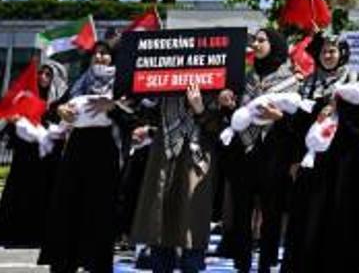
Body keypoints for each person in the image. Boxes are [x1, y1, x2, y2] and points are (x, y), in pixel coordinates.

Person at [39, 41, 124, 273]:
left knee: (99, 209)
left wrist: (113, 106)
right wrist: (60, 111)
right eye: (95, 53)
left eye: (105, 53)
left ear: (112, 58)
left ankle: (96, 262)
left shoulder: (122, 83)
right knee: (68, 205)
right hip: (77, 148)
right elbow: (52, 108)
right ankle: (65, 262)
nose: (99, 57)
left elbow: (135, 116)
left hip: (105, 149)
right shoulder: (79, 82)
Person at [222, 28, 301, 273]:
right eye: (254, 40)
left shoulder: (289, 79)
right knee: (242, 212)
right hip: (245, 152)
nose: (255, 44)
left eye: (261, 40)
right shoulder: (244, 77)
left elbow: (297, 123)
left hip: (274, 153)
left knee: (272, 213)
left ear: (275, 44)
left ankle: (266, 263)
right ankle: (242, 263)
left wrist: (279, 117)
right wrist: (227, 106)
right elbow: (236, 118)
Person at [282, 34, 359, 273]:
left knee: (336, 216)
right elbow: (296, 126)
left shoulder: (354, 81)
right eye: (325, 51)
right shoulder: (308, 83)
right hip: (311, 161)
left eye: (333, 51)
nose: (328, 56)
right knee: (308, 218)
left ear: (342, 54)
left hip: (340, 162)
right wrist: (295, 158)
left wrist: (341, 107)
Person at [130, 81, 225, 273]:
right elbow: (146, 116)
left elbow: (221, 131)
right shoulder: (165, 81)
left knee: (191, 219)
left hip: (196, 157)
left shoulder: (217, 82)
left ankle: (191, 263)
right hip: (164, 155)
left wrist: (200, 109)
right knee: (160, 217)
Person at [0, 62, 68, 248]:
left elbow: (64, 125)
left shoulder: (60, 101)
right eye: (40, 73)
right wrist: (16, 120)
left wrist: (48, 128)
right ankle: (14, 234)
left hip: (48, 157)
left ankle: (42, 235)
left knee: (45, 194)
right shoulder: (23, 97)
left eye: (48, 74)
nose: (42, 77)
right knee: (20, 193)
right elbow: (4, 122)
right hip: (25, 155)